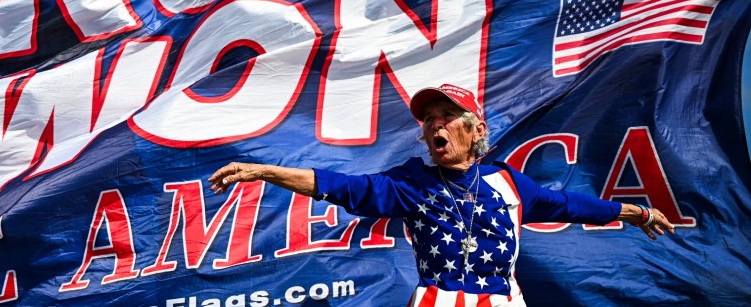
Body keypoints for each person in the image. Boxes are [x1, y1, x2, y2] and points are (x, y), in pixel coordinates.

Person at [209, 83, 674, 307]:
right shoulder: (410, 182)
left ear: (476, 131)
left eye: (448, 115)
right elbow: (340, 187)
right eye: (429, 117)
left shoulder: (508, 183)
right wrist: (264, 171)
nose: (435, 124)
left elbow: (569, 205)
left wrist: (634, 211)